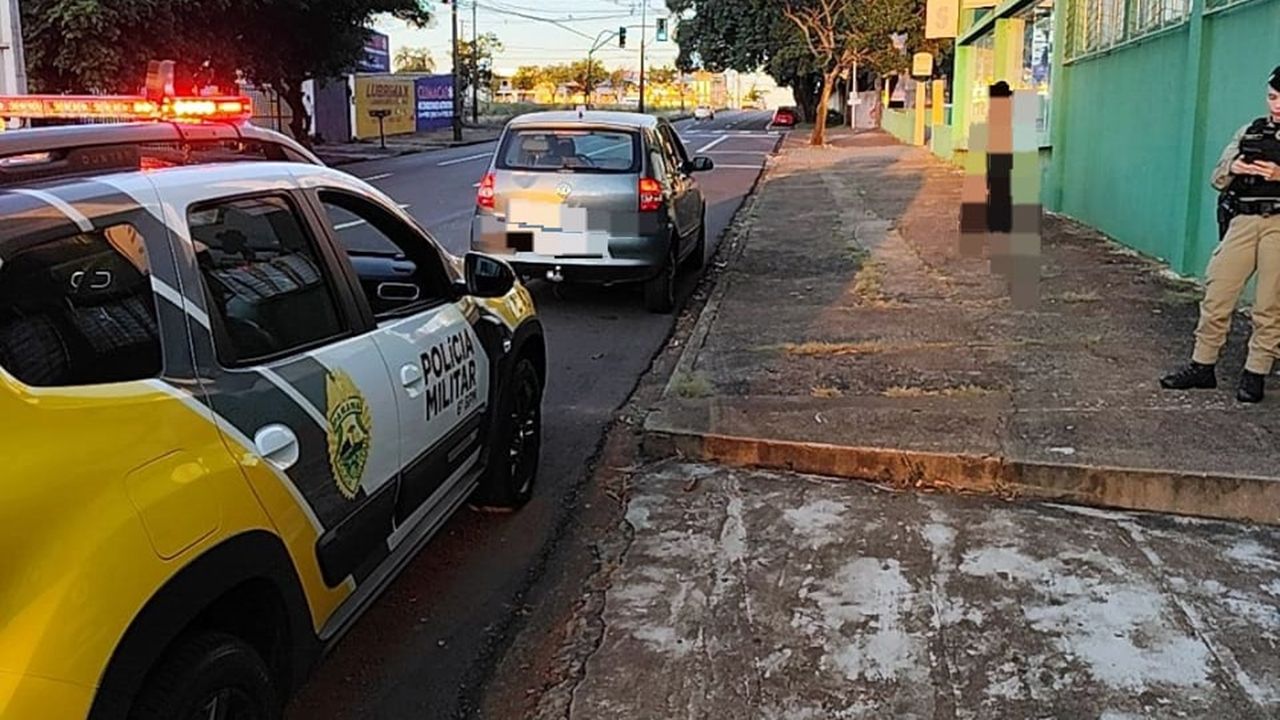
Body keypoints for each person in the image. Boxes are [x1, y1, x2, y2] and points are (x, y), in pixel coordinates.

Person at [1161, 66, 1280, 403]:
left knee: (1270, 303)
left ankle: (1256, 372)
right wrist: (1235, 167)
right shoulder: (1250, 131)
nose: (1277, 105)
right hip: (1243, 220)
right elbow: (1217, 177)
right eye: (1272, 97)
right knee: (1217, 293)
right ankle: (1202, 365)